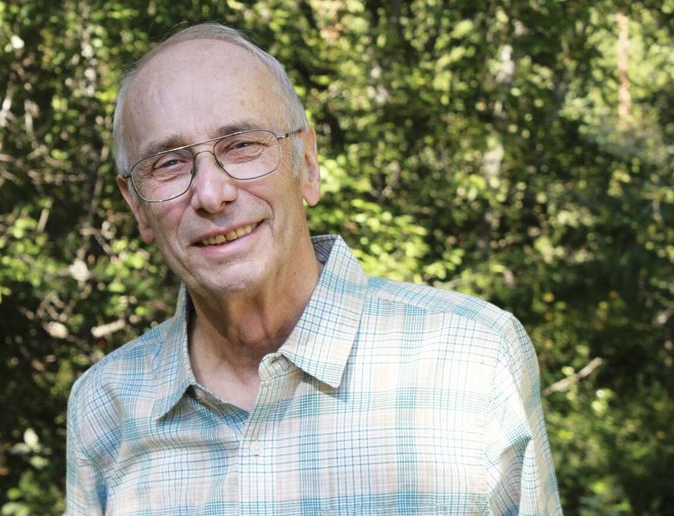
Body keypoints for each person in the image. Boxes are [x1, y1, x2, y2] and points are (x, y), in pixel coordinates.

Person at [67, 23, 562, 515]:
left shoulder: (471, 356)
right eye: (169, 163)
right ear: (136, 206)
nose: (212, 194)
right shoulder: (105, 406)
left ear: (306, 162)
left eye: (242, 145)